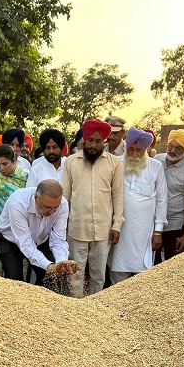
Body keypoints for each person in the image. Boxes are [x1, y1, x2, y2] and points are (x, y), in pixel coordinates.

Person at [62, 119, 124, 295]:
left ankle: (94, 311)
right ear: (84, 139)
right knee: (75, 275)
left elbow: (118, 196)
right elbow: (65, 196)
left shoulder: (114, 163)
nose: (93, 145)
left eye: (98, 141)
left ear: (104, 141)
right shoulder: (71, 162)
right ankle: (76, 310)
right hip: (76, 229)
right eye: (90, 140)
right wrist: (61, 226)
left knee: (98, 276)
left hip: (103, 230)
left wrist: (116, 225)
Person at [108, 128, 167, 285]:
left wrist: (158, 231)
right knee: (117, 271)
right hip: (120, 229)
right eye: (131, 150)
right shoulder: (116, 163)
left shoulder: (156, 166)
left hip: (144, 231)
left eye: (139, 150)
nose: (134, 155)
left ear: (147, 149)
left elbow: (162, 200)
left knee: (142, 277)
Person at [0, 180, 69, 284]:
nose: (52, 212)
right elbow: (25, 243)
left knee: (52, 278)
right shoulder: (17, 203)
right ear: (36, 198)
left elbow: (58, 239)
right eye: (47, 207)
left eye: (55, 208)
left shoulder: (63, 204)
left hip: (41, 239)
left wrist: (61, 263)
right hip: (10, 240)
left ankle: (40, 299)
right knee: (14, 278)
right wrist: (49, 265)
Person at [153, 129, 184, 262]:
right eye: (170, 146)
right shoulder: (157, 160)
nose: (173, 151)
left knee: (171, 265)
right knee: (150, 267)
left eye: (178, 148)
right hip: (154, 223)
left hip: (175, 225)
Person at [0, 144, 29, 276]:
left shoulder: (26, 177)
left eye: (5, 164)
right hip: (1, 230)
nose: (1, 168)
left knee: (17, 270)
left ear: (13, 160)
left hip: (20, 230)